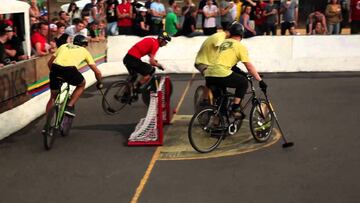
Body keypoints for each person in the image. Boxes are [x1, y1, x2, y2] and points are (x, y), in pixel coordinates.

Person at [204, 23, 267, 117]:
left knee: (222, 100)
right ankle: (235, 108)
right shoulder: (239, 46)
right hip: (220, 73)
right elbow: (249, 66)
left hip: (208, 74)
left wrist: (242, 73)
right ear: (241, 34)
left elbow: (231, 66)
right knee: (243, 83)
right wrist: (260, 80)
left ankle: (217, 125)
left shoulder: (222, 43)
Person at [45, 35, 102, 119]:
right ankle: (69, 106)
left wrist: (56, 74)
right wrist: (99, 82)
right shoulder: (84, 51)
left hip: (55, 69)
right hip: (69, 70)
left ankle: (47, 124)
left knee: (53, 97)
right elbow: (97, 72)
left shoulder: (63, 46)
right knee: (82, 84)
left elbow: (49, 63)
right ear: (84, 45)